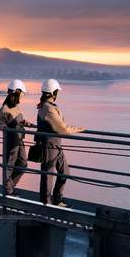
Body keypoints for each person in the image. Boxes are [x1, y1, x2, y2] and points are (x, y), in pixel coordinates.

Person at [36, 78, 83, 207]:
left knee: (64, 172)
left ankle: (56, 199)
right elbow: (62, 129)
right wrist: (78, 129)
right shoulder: (48, 108)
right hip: (49, 146)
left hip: (55, 145)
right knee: (48, 174)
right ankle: (46, 202)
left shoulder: (47, 106)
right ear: (53, 92)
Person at [0, 79, 30, 195]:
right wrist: (6, 128)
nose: (22, 97)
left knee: (23, 164)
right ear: (17, 92)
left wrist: (24, 122)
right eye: (22, 94)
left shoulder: (15, 106)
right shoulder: (5, 108)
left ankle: (9, 187)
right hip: (11, 141)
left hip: (19, 140)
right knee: (9, 167)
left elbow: (16, 120)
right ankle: (8, 191)